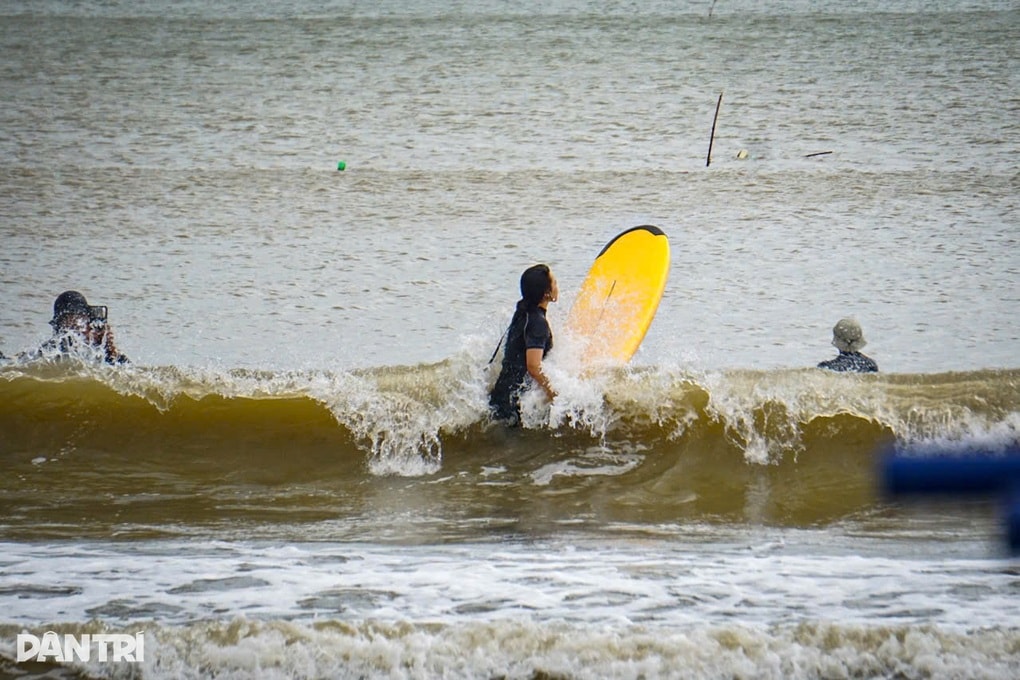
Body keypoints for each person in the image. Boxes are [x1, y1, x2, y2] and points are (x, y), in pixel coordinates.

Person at [489, 264, 558, 425]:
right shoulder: (538, 323)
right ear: (546, 293)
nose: (557, 286)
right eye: (554, 282)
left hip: (502, 394)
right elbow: (533, 367)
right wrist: (554, 394)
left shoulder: (522, 312)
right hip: (513, 404)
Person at [31, 290, 129, 365]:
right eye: (72, 324)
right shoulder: (49, 351)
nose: (79, 330)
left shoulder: (97, 351)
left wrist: (109, 351)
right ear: (59, 327)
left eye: (81, 322)